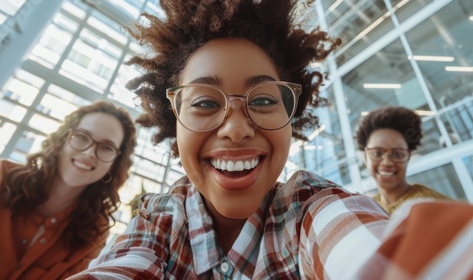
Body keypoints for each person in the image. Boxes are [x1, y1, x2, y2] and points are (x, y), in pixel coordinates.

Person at [70, 1, 473, 279]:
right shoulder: (157, 223)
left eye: (263, 100)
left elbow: (360, 245)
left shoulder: (308, 208)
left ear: (290, 117)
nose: (235, 128)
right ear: (172, 121)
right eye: (205, 102)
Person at [0, 101, 137, 279]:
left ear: (114, 164)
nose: (90, 152)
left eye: (106, 147)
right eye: (82, 137)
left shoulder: (94, 232)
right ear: (62, 140)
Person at [355, 106, 451, 215]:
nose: (387, 162)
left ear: (408, 156)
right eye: (377, 153)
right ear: (365, 157)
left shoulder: (435, 207)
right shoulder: (366, 209)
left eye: (397, 154)